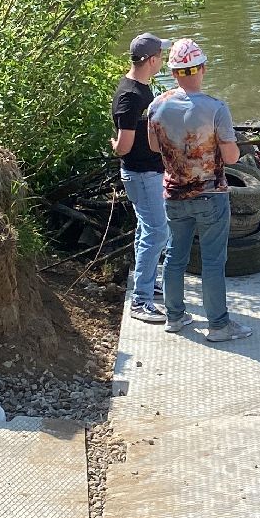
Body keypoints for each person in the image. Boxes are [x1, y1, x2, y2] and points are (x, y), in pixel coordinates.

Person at [146, 38, 252, 342]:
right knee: (213, 261)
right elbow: (231, 157)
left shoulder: (156, 106)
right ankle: (218, 325)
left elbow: (155, 147)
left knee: (175, 257)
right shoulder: (216, 108)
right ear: (202, 68)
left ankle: (175, 317)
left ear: (173, 73)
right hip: (211, 196)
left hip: (173, 195)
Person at [113, 33, 171, 324]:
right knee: (157, 232)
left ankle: (146, 282)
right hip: (140, 173)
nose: (162, 59)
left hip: (150, 172)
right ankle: (141, 300)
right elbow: (123, 145)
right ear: (151, 60)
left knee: (145, 229)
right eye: (160, 55)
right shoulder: (131, 95)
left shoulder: (140, 89)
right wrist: (115, 146)